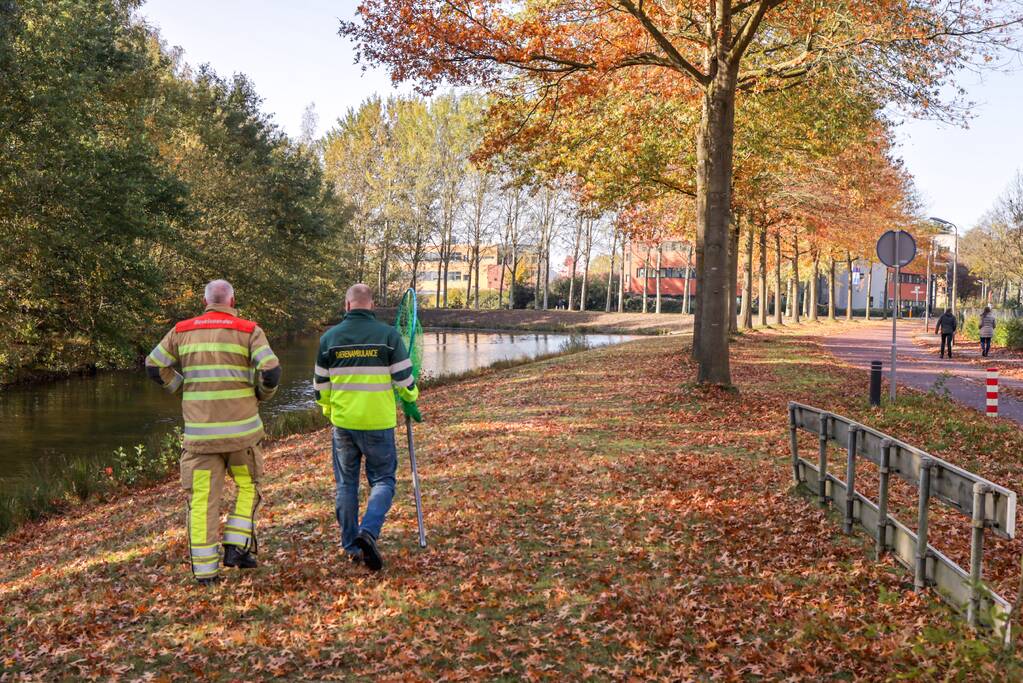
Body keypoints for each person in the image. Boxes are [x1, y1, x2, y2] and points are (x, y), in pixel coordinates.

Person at [145, 280, 281, 585]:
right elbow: (271, 371)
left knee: (203, 503)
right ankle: (236, 546)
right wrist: (260, 394)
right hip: (241, 437)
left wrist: (181, 388)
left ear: (205, 301)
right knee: (248, 487)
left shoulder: (182, 330)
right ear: (232, 300)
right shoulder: (248, 330)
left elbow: (153, 366)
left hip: (201, 440)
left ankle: (206, 574)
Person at [313, 284, 421, 571]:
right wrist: (411, 399)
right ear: (372, 305)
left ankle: (351, 545)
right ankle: (368, 532)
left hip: (344, 424)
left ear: (347, 305)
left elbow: (320, 389)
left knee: (346, 483)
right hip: (378, 422)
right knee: (383, 480)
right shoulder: (388, 336)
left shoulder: (329, 338)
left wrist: (330, 410)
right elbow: (405, 380)